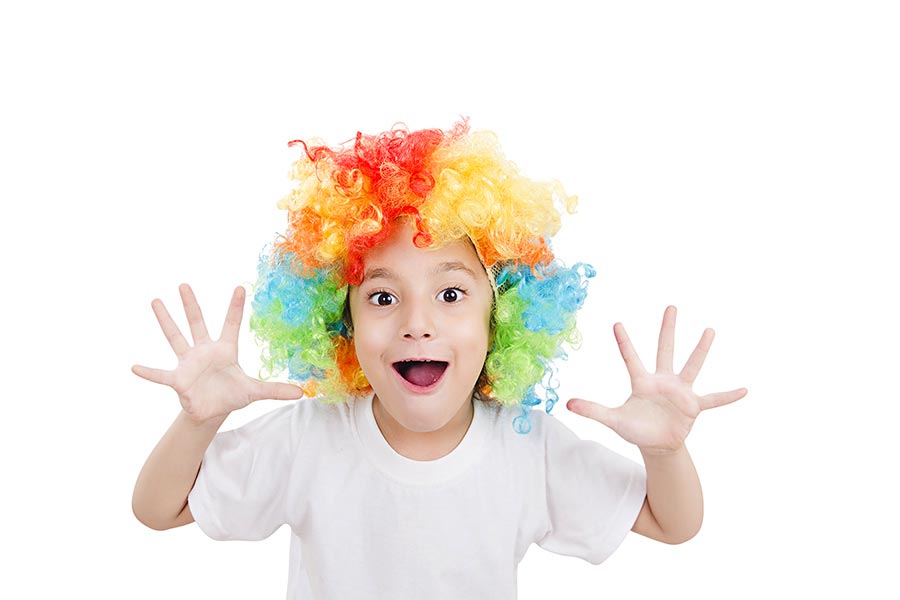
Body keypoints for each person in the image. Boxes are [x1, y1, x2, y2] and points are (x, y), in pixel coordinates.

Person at [131, 120, 748, 599]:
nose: (417, 324)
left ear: (500, 313)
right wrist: (198, 422)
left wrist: (665, 452)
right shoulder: (308, 438)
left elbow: (672, 524)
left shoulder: (526, 447)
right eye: (382, 296)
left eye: (450, 294)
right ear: (340, 319)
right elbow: (158, 510)